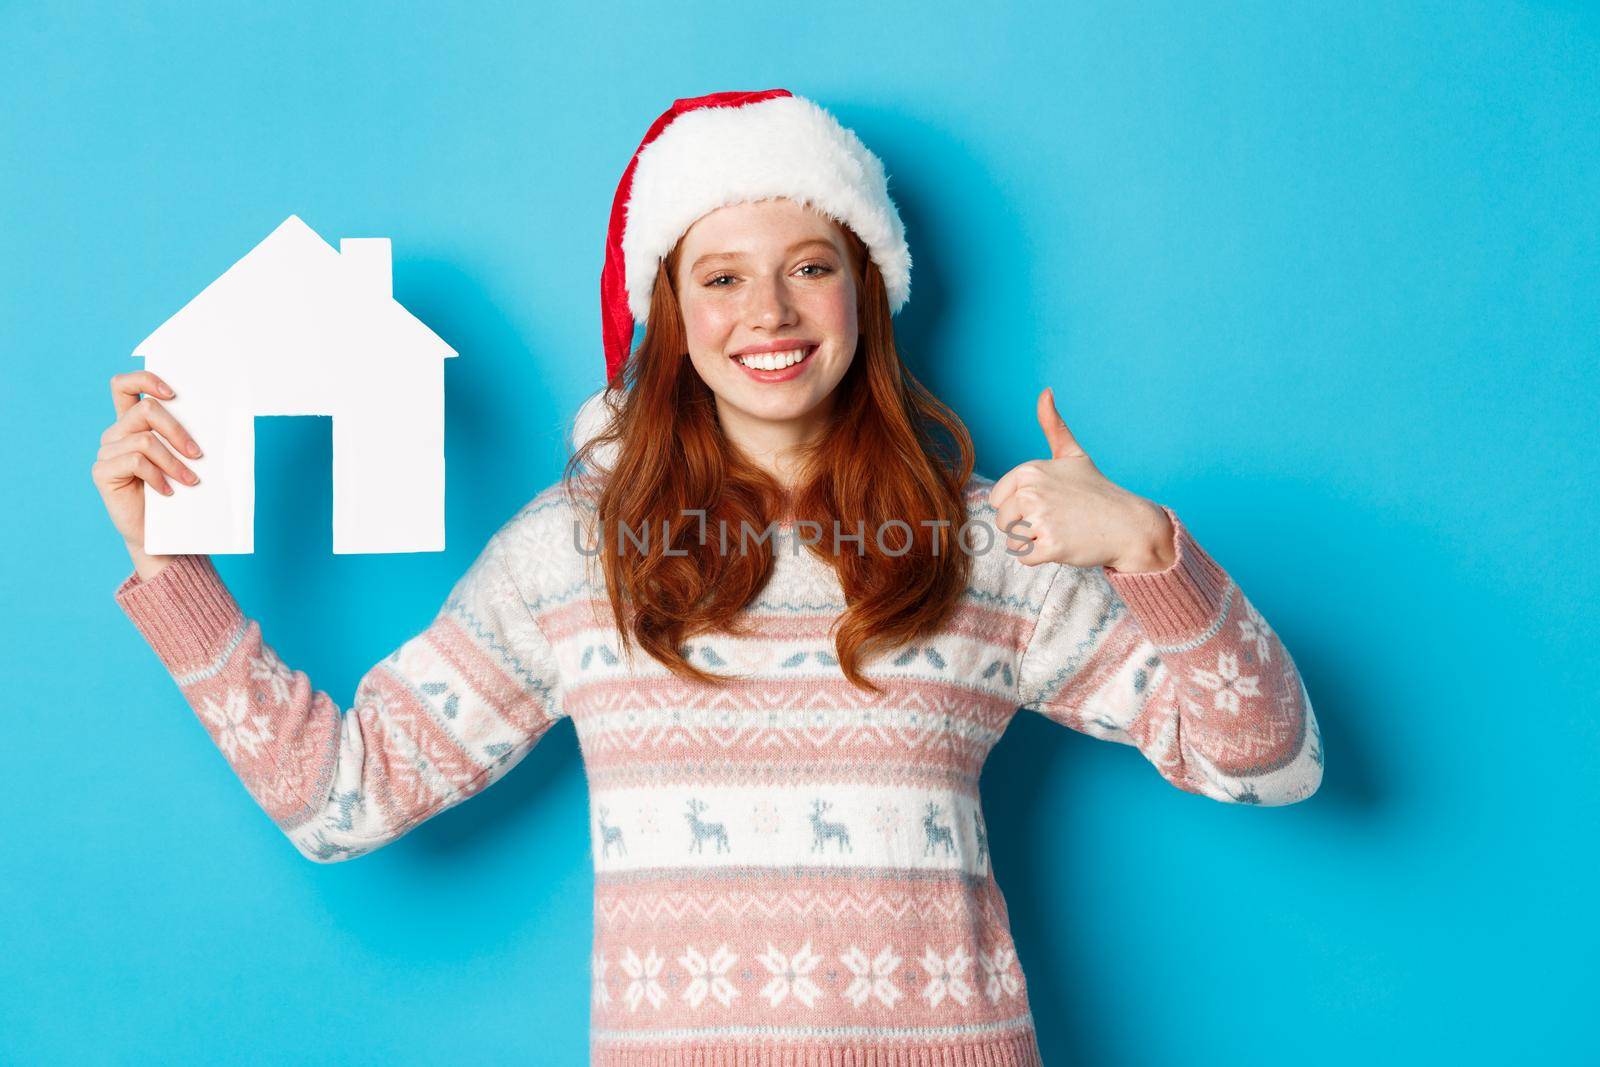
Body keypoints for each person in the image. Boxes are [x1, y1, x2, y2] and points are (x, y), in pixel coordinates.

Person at [96, 89, 1322, 1066]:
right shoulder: (572, 553)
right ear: (669, 313)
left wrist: (1152, 553)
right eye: (721, 275)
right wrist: (168, 563)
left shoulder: (985, 541)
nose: (770, 310)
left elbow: (1273, 763)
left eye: (810, 263)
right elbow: (339, 799)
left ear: (866, 290)